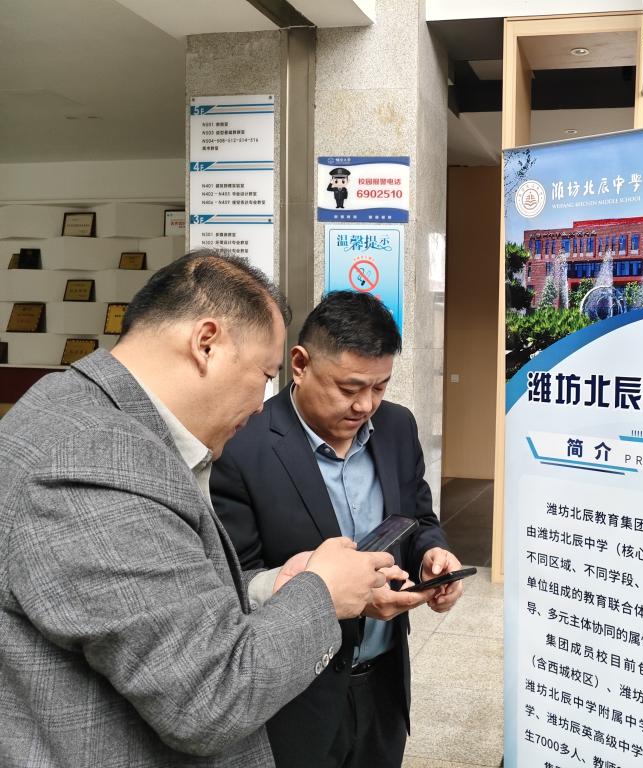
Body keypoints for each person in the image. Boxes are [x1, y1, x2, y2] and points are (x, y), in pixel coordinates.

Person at [0, 251, 396, 767]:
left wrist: (272, 587)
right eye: (264, 375)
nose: (261, 404)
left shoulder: (73, 407)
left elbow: (157, 618)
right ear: (206, 343)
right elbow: (210, 698)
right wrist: (322, 594)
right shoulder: (99, 459)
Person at [211, 290, 464, 768]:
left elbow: (418, 518)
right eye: (349, 388)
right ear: (300, 365)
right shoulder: (244, 447)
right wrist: (342, 596)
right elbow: (234, 583)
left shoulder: (397, 427)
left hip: (383, 685)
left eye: (380, 387)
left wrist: (433, 556)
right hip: (297, 699)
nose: (365, 405)